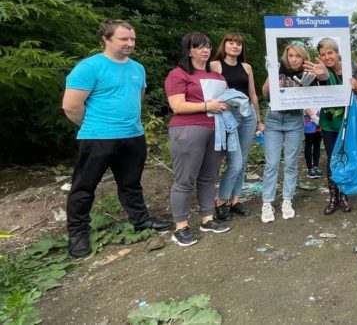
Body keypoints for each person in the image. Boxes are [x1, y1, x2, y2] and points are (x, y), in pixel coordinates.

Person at [62, 19, 172, 258]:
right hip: (98, 137)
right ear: (106, 39)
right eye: (123, 39)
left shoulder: (137, 68)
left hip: (132, 135)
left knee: (131, 183)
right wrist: (94, 126)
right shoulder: (89, 68)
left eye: (132, 39)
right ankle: (78, 233)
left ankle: (141, 220)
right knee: (84, 186)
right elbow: (71, 106)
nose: (130, 43)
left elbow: (137, 99)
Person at [164, 32, 232, 247]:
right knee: (185, 180)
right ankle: (181, 227)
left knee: (208, 178)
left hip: (216, 130)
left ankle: (207, 219)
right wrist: (206, 106)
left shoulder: (217, 77)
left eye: (208, 47)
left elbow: (227, 99)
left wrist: (228, 103)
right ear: (188, 51)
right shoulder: (178, 74)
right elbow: (177, 105)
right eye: (199, 47)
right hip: (188, 130)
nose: (205, 50)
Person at [303, 38, 357, 215]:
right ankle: (333, 198)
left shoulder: (352, 67)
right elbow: (322, 78)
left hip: (348, 120)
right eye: (323, 54)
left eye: (330, 53)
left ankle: (345, 195)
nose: (327, 57)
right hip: (329, 121)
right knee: (333, 159)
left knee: (347, 157)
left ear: (337, 52)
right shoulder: (321, 69)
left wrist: (355, 88)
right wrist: (320, 74)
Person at [210, 33, 264, 220]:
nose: (235, 46)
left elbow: (253, 95)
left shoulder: (246, 67)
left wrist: (258, 119)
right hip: (227, 114)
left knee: (243, 160)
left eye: (238, 44)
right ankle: (220, 201)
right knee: (235, 161)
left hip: (247, 114)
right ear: (224, 45)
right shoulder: (215, 65)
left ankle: (235, 200)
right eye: (231, 43)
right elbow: (209, 90)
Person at [260, 42, 315, 223]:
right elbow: (265, 93)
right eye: (290, 55)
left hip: (294, 120)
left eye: (297, 56)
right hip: (274, 118)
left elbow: (310, 98)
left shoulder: (307, 74)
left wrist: (305, 87)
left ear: (303, 58)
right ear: (286, 55)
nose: (293, 59)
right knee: (272, 163)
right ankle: (267, 203)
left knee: (291, 162)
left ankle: (287, 200)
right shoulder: (279, 68)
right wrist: (271, 73)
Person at [303, 107, 323, 179]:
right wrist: (315, 118)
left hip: (321, 118)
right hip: (309, 120)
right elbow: (305, 107)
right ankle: (310, 168)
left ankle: (316, 166)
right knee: (309, 144)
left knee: (317, 145)